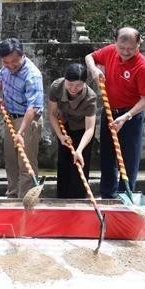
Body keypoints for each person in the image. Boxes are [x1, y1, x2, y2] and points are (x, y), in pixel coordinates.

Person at [85, 26, 145, 199]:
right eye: (122, 48)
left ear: (139, 44)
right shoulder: (110, 51)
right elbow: (90, 57)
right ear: (115, 42)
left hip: (130, 116)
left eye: (131, 49)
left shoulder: (143, 67)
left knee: (128, 158)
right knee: (107, 156)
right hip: (110, 112)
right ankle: (108, 195)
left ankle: (126, 195)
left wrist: (127, 116)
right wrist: (94, 69)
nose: (125, 52)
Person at [0, 38, 44, 199]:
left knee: (25, 162)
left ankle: (26, 198)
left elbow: (33, 107)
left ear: (22, 55)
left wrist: (21, 132)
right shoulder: (6, 68)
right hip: (10, 118)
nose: (10, 65)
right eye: (6, 62)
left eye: (14, 61)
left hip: (27, 121)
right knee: (10, 160)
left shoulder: (32, 75)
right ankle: (12, 195)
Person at [47, 63, 97, 198]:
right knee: (63, 162)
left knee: (80, 164)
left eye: (78, 85)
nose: (74, 89)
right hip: (64, 126)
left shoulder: (90, 97)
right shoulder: (56, 86)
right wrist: (60, 136)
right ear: (65, 80)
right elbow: (51, 114)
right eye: (70, 85)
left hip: (82, 130)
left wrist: (79, 150)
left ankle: (78, 199)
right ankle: (62, 197)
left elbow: (90, 128)